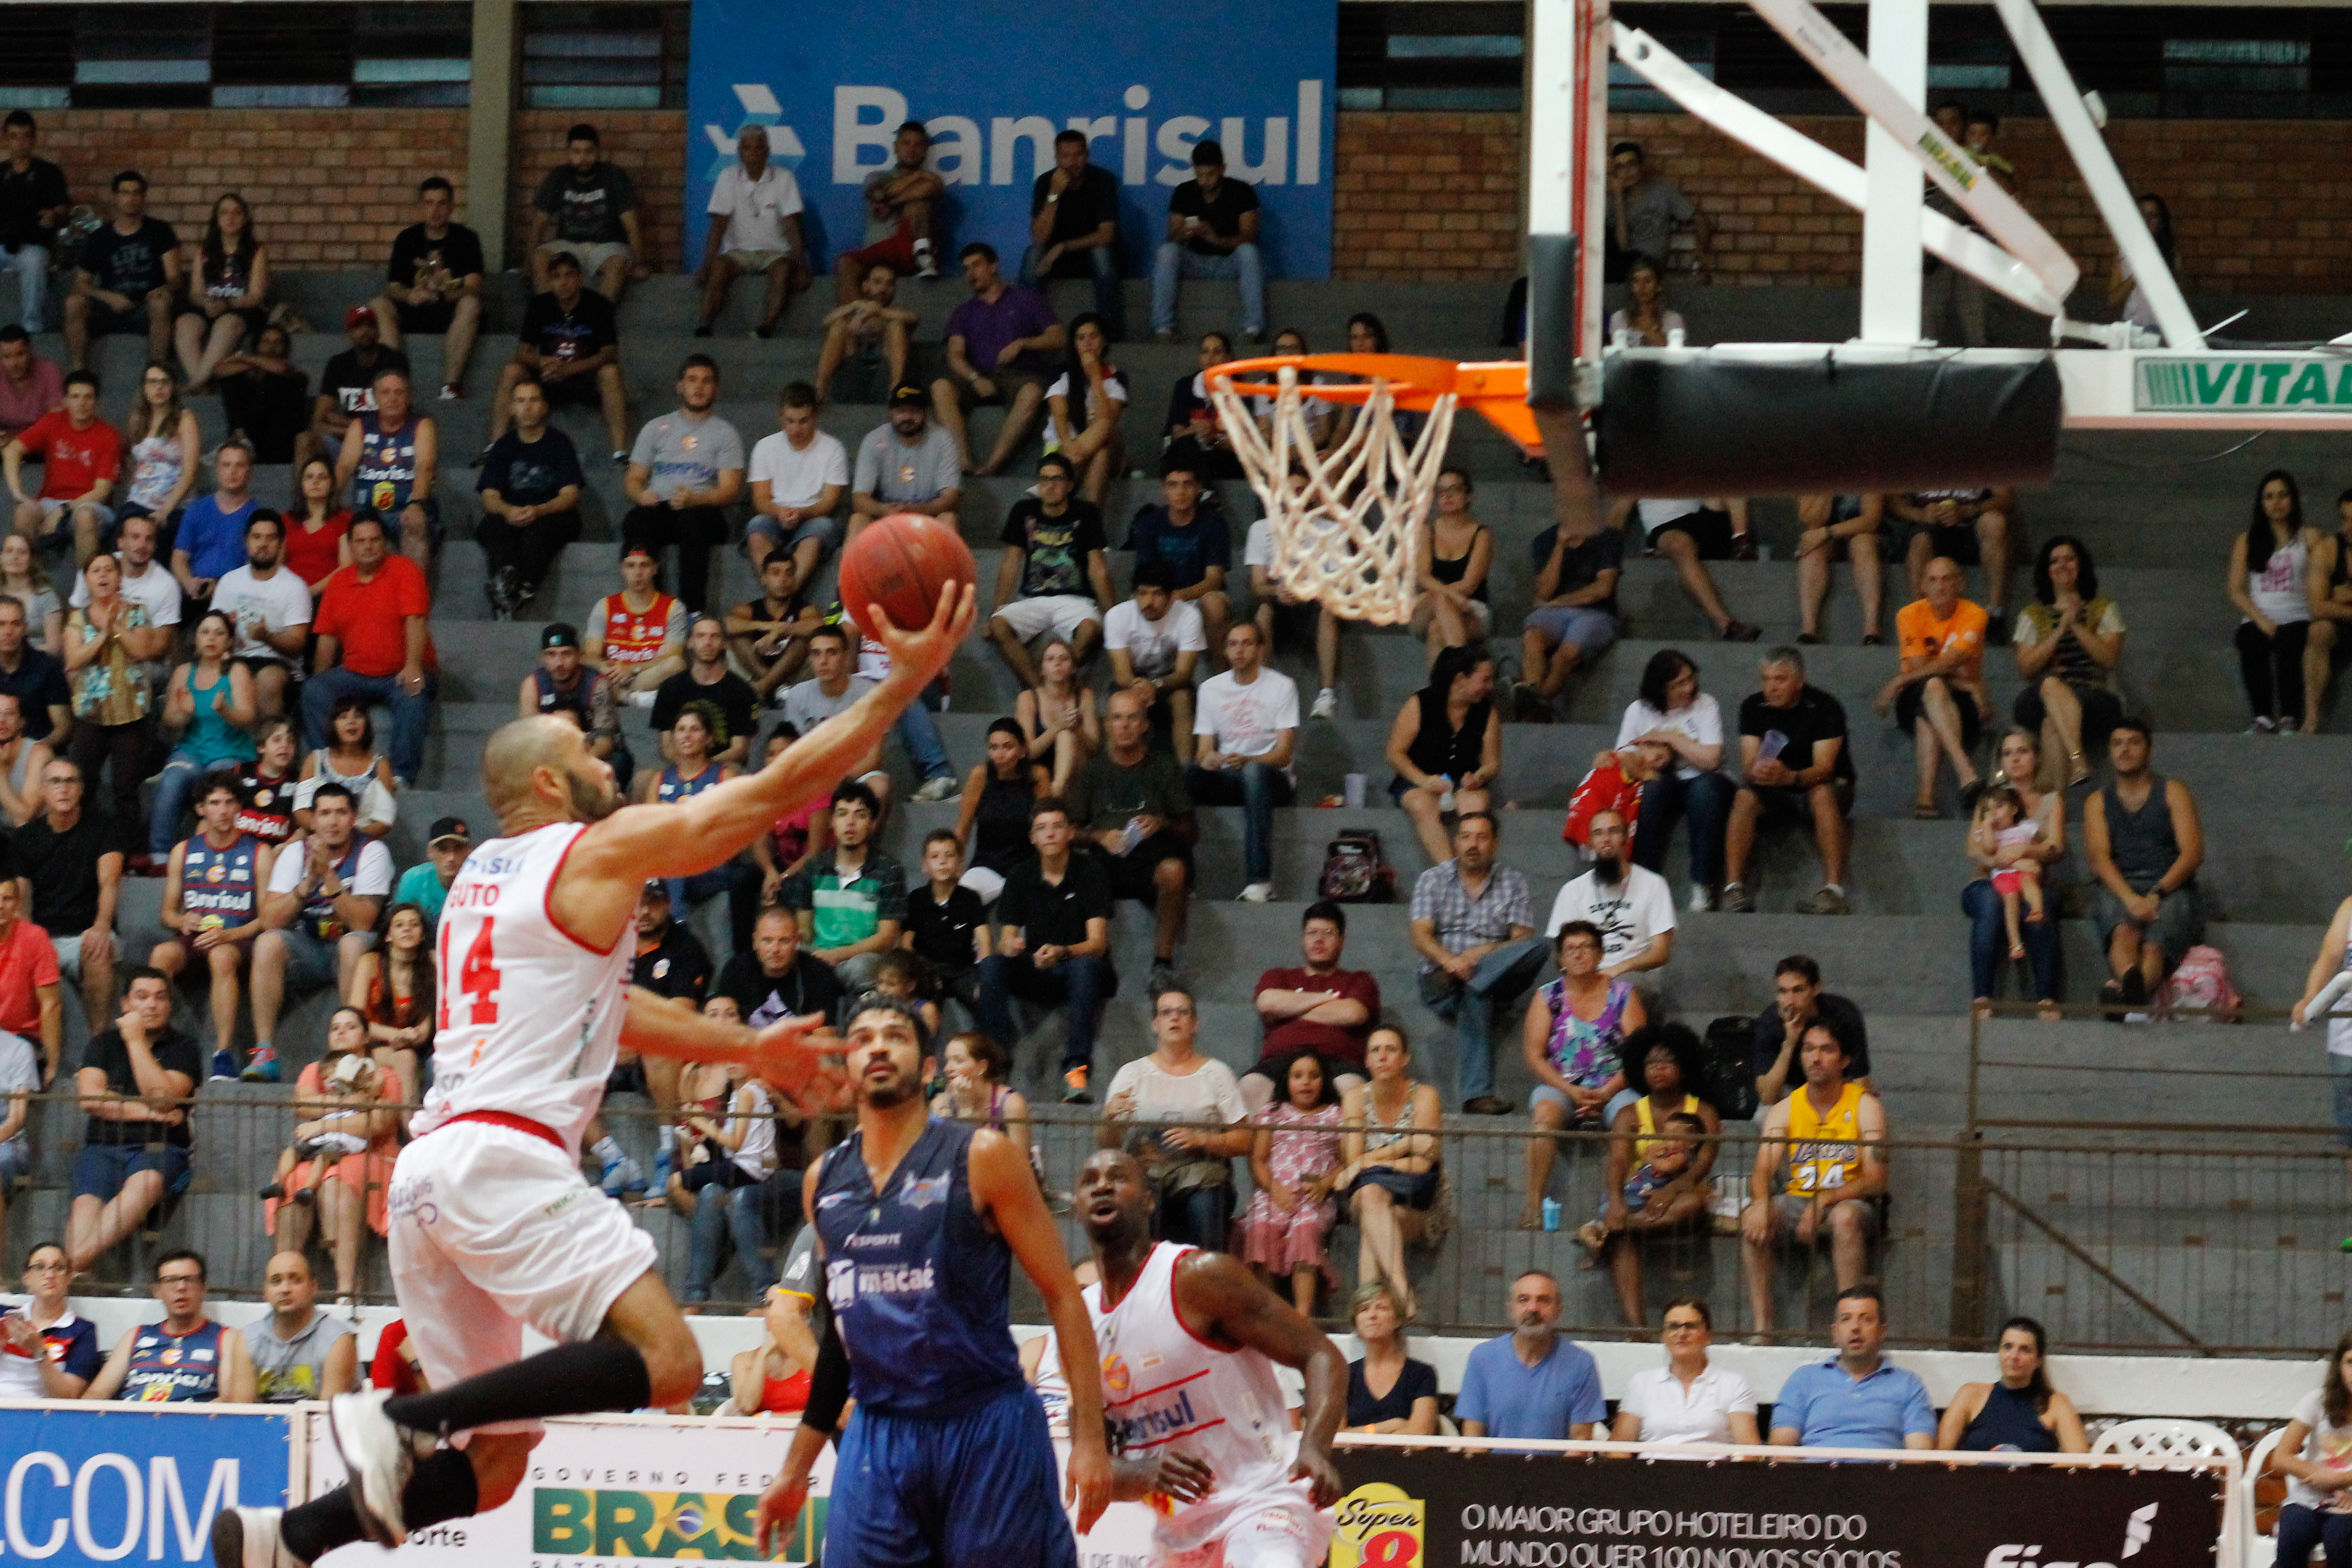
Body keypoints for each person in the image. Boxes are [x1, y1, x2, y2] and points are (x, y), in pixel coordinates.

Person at [230, 591, 970, 1568]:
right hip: (503, 1158)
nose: (608, 764)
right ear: (548, 779)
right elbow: (772, 787)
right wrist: (903, 685)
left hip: (428, 1177)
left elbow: (601, 1007)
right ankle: (405, 1415)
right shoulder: (590, 848)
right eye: (587, 753)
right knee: (671, 1361)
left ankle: (287, 1535)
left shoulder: (476, 883)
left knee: (496, 1469)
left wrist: (746, 1051)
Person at [750, 994, 1109, 1566]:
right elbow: (843, 1337)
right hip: (880, 1433)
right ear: (846, 1067)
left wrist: (1091, 1439)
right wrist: (796, 1470)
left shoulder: (984, 1155)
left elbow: (1065, 1296)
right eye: (862, 1038)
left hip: (985, 1425)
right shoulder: (823, 1179)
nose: (877, 1047)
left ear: (927, 1067)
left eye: (895, 1035)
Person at [1070, 1147, 1345, 1568]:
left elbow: (1322, 1354)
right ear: (1077, 1207)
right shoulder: (1079, 1323)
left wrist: (1315, 1445)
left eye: (1118, 1177)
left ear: (1148, 1202)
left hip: (1264, 1500)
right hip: (1181, 1535)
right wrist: (1144, 1473)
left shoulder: (1197, 1277)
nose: (1102, 1185)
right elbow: (1093, 1465)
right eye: (1090, 1180)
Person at [1741, 1018, 1886, 1330]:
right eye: (1808, 1049)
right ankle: (1763, 1327)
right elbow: (1762, 1170)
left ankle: (1850, 1324)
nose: (1816, 1058)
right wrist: (1761, 1203)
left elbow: (1876, 1178)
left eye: (1826, 1050)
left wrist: (1824, 1201)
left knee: (1845, 1218)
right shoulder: (1785, 1107)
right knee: (1754, 1217)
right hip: (1797, 1198)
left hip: (1850, 1200)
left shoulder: (1864, 1106)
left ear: (1845, 1060)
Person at [248, 783, 394, 1084]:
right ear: (313, 820)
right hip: (308, 949)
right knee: (267, 943)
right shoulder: (294, 854)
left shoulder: (372, 851)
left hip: (351, 947)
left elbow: (363, 922)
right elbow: (270, 919)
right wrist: (306, 884)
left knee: (353, 944)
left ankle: (352, 1053)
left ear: (354, 818)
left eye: (341, 813)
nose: (333, 821)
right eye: (325, 813)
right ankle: (264, 1052)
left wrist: (328, 874)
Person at [976, 798, 1115, 1103]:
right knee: (991, 966)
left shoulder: (1091, 871)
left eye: (1057, 827)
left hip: (1079, 964)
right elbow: (1006, 938)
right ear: (1032, 837)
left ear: (1069, 834)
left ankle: (1076, 1074)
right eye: (1042, 829)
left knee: (1085, 967)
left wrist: (1062, 952)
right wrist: (1012, 946)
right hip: (1037, 964)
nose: (1050, 834)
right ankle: (996, 1065)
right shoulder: (1020, 874)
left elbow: (1097, 943)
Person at [1411, 810, 1546, 1114]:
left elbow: (1521, 941)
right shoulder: (1432, 880)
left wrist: (1480, 954)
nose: (1473, 844)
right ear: (1456, 842)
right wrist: (1450, 961)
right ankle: (1476, 1096)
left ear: (1495, 843)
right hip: (1440, 980)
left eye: (1482, 837)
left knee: (1539, 947)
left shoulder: (1513, 882)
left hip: (1495, 974)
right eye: (1466, 837)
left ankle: (1475, 980)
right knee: (1478, 992)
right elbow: (1420, 936)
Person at [1100, 984, 1252, 1250]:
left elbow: (1245, 1140)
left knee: (1205, 1207)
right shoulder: (1131, 1073)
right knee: (1143, 1206)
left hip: (1203, 1172)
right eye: (1166, 1012)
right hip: (1146, 1172)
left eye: (1182, 1012)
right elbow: (1106, 1144)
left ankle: (1206, 1279)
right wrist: (1110, 1119)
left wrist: (1201, 1139)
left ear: (1195, 1024)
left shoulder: (1217, 1074)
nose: (1174, 1018)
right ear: (1154, 1024)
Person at [65, 969, 197, 1271]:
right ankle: (73, 1273)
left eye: (160, 997)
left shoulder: (183, 1047)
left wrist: (136, 1042)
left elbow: (163, 1098)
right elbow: (92, 1100)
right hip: (103, 1145)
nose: (152, 1005)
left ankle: (66, 1270)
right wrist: (152, 1114)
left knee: (146, 1182)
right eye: (142, 997)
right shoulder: (103, 1044)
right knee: (86, 1206)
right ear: (125, 1004)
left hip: (160, 1148)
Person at [1591, 1026, 1723, 1325]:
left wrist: (1671, 1191)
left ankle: (1615, 1230)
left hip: (1683, 1196)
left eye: (1668, 1062)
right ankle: (1637, 1328)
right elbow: (1618, 1162)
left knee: (1693, 1203)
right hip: (1639, 1194)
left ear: (1685, 1067)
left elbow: (1702, 1165)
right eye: (1651, 1063)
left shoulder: (1703, 1112)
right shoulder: (1628, 1114)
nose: (1659, 1069)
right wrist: (1614, 1201)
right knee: (1621, 1220)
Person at [1065, 685, 1194, 991]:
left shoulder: (1163, 766)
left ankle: (1162, 965)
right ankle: (1099, 959)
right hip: (1103, 865)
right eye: (1117, 718)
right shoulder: (1092, 771)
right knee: (1080, 874)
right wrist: (1099, 836)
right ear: (1107, 724)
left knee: (1175, 871)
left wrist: (1161, 823)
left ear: (1145, 725)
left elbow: (1191, 831)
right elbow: (1069, 832)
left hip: (1151, 861)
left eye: (1132, 718)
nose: (1123, 725)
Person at [1518, 921, 1646, 1226]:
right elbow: (1534, 1055)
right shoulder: (1548, 997)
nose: (1578, 955)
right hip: (1561, 1085)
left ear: (1601, 954)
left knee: (1629, 1119)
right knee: (1545, 1117)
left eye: (1586, 947)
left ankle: (1616, 1204)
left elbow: (1640, 1053)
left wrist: (1605, 1093)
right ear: (1560, 959)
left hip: (1615, 1085)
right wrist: (1571, 1091)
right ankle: (1533, 1206)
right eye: (1570, 949)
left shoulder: (1623, 995)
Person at [150, 776, 273, 1075]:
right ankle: (155, 1043)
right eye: (215, 803)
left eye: (230, 802)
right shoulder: (184, 851)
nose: (223, 810)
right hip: (195, 938)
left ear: (239, 808)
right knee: (160, 956)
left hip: (238, 939)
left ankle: (223, 1054)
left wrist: (229, 934)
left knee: (222, 956)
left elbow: (269, 919)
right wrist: (182, 920)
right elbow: (167, 913)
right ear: (201, 809)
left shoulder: (260, 853)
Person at [305, 514, 435, 787]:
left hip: (401, 671)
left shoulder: (405, 570)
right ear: (350, 547)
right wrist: (320, 678)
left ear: (386, 543)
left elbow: (416, 620)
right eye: (361, 541)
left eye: (375, 540)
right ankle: (326, 768)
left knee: (413, 695)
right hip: (355, 674)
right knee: (313, 691)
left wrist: (412, 666)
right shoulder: (339, 582)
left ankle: (401, 776)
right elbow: (327, 640)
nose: (368, 547)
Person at [1723, 646, 1854, 916]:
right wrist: (1756, 772)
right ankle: (1734, 888)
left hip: (1822, 784)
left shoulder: (1824, 707)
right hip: (1776, 790)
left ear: (1800, 680)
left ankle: (1833, 891)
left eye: (1780, 680)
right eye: (1766, 680)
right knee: (1744, 797)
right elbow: (1748, 763)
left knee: (1821, 793)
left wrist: (1791, 776)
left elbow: (1825, 769)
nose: (1771, 687)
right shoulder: (1753, 707)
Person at [2084, 718, 2204, 1009]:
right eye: (2117, 744)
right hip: (2119, 885)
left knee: (2155, 946)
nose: (2125, 750)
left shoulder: (2173, 791)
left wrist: (2156, 895)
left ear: (2148, 750)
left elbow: (2192, 854)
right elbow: (2099, 858)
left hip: (2170, 885)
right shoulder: (2097, 801)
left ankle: (2126, 998)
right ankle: (2131, 991)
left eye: (2134, 743)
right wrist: (2130, 899)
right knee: (2122, 933)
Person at [1332, 1025, 1441, 1318]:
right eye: (1375, 1051)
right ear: (1366, 1060)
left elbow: (1422, 1165)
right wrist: (1407, 1144)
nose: (1383, 1057)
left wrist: (1367, 1162)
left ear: (1405, 1058)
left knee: (1375, 1213)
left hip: (1415, 1198)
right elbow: (1353, 1159)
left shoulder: (1425, 1096)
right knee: (1370, 1195)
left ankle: (1367, 1309)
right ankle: (1401, 1293)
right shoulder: (1356, 1097)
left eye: (1391, 1050)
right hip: (1368, 1191)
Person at [621, 356, 744, 616]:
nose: (699, 387)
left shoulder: (725, 433)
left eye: (706, 381)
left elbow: (731, 490)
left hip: (703, 511)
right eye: (692, 380)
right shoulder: (656, 428)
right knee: (636, 520)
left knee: (693, 523)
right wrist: (642, 495)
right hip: (661, 507)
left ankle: (692, 612)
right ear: (680, 386)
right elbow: (633, 480)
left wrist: (695, 499)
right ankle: (651, 605)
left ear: (716, 389)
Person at [1611, 649, 1733, 908]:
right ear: (1661, 688)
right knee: (1651, 791)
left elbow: (1712, 759)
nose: (1689, 687)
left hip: (1702, 778)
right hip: (1658, 778)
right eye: (1679, 684)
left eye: (1691, 679)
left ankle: (1703, 885)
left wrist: (1672, 738)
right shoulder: (1639, 710)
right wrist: (1648, 762)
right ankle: (1643, 882)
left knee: (1706, 792)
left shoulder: (1706, 704)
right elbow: (1623, 756)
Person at [932, 242, 1064, 477]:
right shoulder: (964, 312)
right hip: (977, 374)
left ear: (994, 266)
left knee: (1032, 393)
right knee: (940, 387)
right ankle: (963, 462)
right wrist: (974, 378)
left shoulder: (1026, 299)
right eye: (966, 269)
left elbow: (1058, 338)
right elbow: (955, 355)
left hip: (1018, 374)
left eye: (977, 265)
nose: (971, 274)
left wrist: (1024, 343)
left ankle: (994, 463)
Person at [1189, 620, 1297, 902]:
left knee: (1255, 773)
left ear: (1260, 649)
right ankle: (1186, 881)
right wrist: (1210, 758)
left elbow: (1284, 753)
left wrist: (1248, 760)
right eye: (1233, 644)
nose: (1239, 650)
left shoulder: (1282, 686)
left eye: (1247, 643)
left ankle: (1259, 882)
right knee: (1185, 774)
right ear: (1225, 651)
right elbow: (1202, 751)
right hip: (1229, 775)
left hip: (1273, 778)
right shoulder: (1210, 689)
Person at [1875, 554, 1991, 815]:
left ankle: (1926, 799)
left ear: (1960, 583)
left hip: (1960, 703)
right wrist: (1970, 686)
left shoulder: (1975, 614)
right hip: (1917, 694)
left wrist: (1899, 679)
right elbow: (1921, 669)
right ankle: (1967, 773)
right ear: (1923, 586)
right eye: (1933, 580)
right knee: (1933, 687)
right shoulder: (1909, 614)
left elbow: (1952, 660)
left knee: (1929, 711)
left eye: (1947, 579)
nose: (1940, 586)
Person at [63, 552, 164, 852]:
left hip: (129, 716)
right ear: (88, 579)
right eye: (96, 571)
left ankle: (128, 853)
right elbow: (73, 660)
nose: (104, 575)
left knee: (126, 790)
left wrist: (117, 627)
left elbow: (144, 650)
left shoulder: (136, 612)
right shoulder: (77, 617)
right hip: (91, 715)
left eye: (109, 570)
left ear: (119, 577)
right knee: (85, 786)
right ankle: (81, 849)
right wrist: (102, 635)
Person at [488, 251, 627, 466]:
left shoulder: (598, 305)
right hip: (547, 377)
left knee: (611, 373)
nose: (563, 283)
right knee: (511, 370)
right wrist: (545, 363)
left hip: (584, 377)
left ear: (580, 278)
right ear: (550, 280)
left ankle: (620, 451)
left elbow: (609, 353)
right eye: (556, 277)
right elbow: (523, 352)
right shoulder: (540, 305)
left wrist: (569, 369)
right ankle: (495, 447)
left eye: (569, 275)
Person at [14, 757, 123, 1027]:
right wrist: (27, 942)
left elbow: (110, 882)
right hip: (42, 935)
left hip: (86, 933)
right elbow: (22, 898)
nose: (63, 789)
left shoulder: (104, 827)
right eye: (55, 782)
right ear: (42, 790)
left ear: (81, 789)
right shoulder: (24, 838)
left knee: (99, 949)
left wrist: (101, 926)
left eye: (70, 781)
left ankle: (99, 1050)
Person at [991, 451, 1114, 687]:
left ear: (1069, 485)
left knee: (1090, 630)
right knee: (998, 626)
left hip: (1075, 600)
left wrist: (1112, 618)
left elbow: (1098, 567)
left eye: (1057, 479)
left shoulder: (1086, 513)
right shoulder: (1023, 510)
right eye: (1044, 480)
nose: (1050, 486)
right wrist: (998, 608)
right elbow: (1011, 563)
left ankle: (1058, 681)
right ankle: (1040, 689)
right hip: (1032, 598)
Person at [1244, 902, 1378, 1112]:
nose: (1319, 939)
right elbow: (1268, 1003)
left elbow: (1353, 1013)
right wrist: (1328, 1000)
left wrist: (1291, 1008)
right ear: (1302, 939)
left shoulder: (1359, 980)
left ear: (1342, 941)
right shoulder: (1278, 976)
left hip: (1337, 1063)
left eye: (1328, 933)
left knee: (1354, 1089)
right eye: (1312, 932)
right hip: (1280, 1061)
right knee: (1249, 1087)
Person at [2013, 536, 2125, 784]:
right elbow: (2026, 669)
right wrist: (2059, 631)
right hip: (2040, 697)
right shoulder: (2032, 614)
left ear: (2081, 564)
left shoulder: (2102, 608)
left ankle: (2052, 809)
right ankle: (2078, 761)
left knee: (2052, 726)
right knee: (2051, 686)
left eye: (2069, 559)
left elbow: (2108, 659)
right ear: (2047, 570)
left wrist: (2075, 624)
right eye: (2055, 561)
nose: (2063, 565)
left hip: (2094, 695)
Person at [1767, 1284, 1935, 1448]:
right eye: (1846, 1319)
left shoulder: (1909, 1385)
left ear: (1882, 1332)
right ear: (1835, 1333)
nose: (1855, 1328)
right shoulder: (1804, 1379)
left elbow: (1919, 1456)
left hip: (1881, 1476)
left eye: (1866, 1319)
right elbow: (1781, 1449)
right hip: (1817, 1475)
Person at [1242, 1052, 1347, 1315]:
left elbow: (1347, 1162)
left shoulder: (1335, 1116)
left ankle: (1302, 1314)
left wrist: (1325, 1184)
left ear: (1325, 1081)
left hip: (1314, 1196)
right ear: (1286, 1082)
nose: (1306, 1083)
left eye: (1314, 1076)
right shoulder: (1273, 1114)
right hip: (1275, 1192)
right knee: (1260, 1228)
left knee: (1306, 1229)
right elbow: (1259, 1160)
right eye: (1298, 1076)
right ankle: (1267, 1313)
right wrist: (1275, 1188)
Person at [148, 606, 257, 853]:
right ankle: (159, 857)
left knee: (217, 784)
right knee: (172, 780)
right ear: (195, 639)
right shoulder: (183, 672)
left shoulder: (237, 671)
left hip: (230, 750)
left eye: (219, 633)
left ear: (229, 641)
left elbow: (249, 718)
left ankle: (208, 855)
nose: (211, 638)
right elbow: (169, 721)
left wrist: (225, 711)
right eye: (205, 632)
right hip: (191, 749)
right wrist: (184, 713)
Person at [781, 779, 906, 993]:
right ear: (831, 822)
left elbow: (886, 939)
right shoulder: (814, 869)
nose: (850, 823)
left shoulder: (889, 870)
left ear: (872, 823)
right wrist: (817, 956)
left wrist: (839, 955)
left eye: (860, 815)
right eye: (842, 814)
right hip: (821, 955)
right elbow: (806, 932)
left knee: (859, 969)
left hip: (863, 958)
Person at [474, 378, 584, 620]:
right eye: (520, 401)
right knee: (492, 526)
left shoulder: (559, 443)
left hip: (552, 515)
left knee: (538, 531)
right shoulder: (502, 447)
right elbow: (489, 496)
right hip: (512, 512)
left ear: (544, 407)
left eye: (534, 400)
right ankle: (511, 584)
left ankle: (516, 588)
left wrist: (539, 510)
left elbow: (570, 496)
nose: (527, 407)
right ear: (511, 408)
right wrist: (508, 511)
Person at [367, 176, 484, 402]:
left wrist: (447, 291)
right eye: (429, 203)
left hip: (449, 311)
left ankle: (450, 386)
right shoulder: (407, 239)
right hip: (415, 311)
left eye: (441, 203)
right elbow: (393, 287)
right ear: (421, 207)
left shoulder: (467, 239)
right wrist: (410, 296)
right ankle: (396, 382)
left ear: (451, 207)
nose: (436, 210)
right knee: (377, 305)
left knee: (472, 305)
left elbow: (475, 286)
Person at [84, 1250, 255, 1402]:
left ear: (204, 1288)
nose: (181, 1287)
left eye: (189, 1280)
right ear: (157, 1291)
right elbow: (96, 1394)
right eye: (170, 1280)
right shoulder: (136, 1336)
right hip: (131, 1427)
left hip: (191, 1430)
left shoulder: (226, 1338)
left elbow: (229, 1401)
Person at [1455, 1270, 1607, 1440]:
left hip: (1558, 1467)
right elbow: (1472, 1438)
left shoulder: (1581, 1364)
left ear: (1559, 1310)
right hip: (1493, 1467)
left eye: (1543, 1301)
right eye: (1523, 1300)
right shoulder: (1482, 1358)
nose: (1533, 1308)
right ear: (1510, 1308)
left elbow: (1580, 1444)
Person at [1388, 644, 1501, 867]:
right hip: (1419, 779)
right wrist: (1424, 781)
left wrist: (1479, 776)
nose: (1490, 687)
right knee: (1422, 805)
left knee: (1477, 805)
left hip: (1462, 781)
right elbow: (1395, 753)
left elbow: (1493, 763)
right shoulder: (1421, 703)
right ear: (1461, 679)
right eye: (1484, 680)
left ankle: (1472, 867)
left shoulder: (1488, 712)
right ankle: (1449, 874)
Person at [693, 124, 805, 339]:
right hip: (738, 252)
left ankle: (767, 327)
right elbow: (719, 225)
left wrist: (801, 266)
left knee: (783, 271)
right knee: (718, 267)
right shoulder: (728, 176)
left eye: (758, 148)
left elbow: (792, 226)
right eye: (747, 148)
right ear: (739, 152)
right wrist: (707, 264)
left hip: (775, 252)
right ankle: (705, 326)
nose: (752, 154)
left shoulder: (784, 178)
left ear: (768, 151)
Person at [2233, 469, 2323, 733]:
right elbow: (2236, 589)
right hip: (2258, 616)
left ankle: (2290, 717)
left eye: (2283, 495)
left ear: (2293, 499)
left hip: (2297, 615)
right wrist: (2261, 620)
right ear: (2261, 504)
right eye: (2269, 497)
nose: (2277, 502)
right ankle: (2262, 716)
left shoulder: (2310, 537)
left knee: (2290, 646)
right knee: (2249, 642)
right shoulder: (2247, 540)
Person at [1512, 511, 1623, 721]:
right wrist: (1560, 546)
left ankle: (1534, 702)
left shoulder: (1607, 537)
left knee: (1566, 655)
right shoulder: (1545, 540)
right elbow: (1544, 592)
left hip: (1597, 613)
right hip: (1553, 613)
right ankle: (1536, 699)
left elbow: (1603, 589)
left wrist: (1558, 602)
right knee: (1533, 638)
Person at [64, 171, 178, 373]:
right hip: (110, 309)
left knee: (161, 304)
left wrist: (162, 290)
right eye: (125, 193)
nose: (131, 199)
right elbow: (81, 283)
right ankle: (79, 375)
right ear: (116, 197)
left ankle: (157, 373)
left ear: (143, 197)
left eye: (136, 193)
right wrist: (107, 297)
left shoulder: (160, 231)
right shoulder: (100, 237)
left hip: (146, 308)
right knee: (73, 303)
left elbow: (176, 279)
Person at [1152, 140, 1264, 342]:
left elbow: (1249, 236)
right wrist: (1185, 232)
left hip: (1228, 263)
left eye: (1210, 175)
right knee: (1167, 252)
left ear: (1223, 169)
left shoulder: (1241, 191)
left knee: (1249, 253)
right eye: (1199, 175)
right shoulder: (1184, 192)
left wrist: (1216, 239)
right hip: (1194, 262)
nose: (1204, 181)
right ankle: (1163, 328)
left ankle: (1253, 327)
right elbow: (1171, 237)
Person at [1545, 808, 1678, 979]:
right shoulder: (1572, 891)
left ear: (1626, 837)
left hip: (1634, 975)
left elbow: (1661, 951)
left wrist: (1620, 968)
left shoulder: (1653, 884)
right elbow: (1560, 953)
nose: (1606, 840)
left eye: (1613, 831)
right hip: (1586, 976)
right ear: (1591, 842)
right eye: (1598, 833)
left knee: (1619, 990)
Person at [1611, 1297, 1762, 1444]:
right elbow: (1618, 1448)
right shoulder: (1642, 1383)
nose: (1682, 1334)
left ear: (1708, 1336)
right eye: (1673, 1327)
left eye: (1691, 1326)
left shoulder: (1733, 1384)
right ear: (1663, 1336)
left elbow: (1748, 1449)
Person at [7, 368, 119, 564]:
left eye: (88, 397)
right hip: (50, 500)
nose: (81, 404)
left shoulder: (108, 435)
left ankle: (85, 590)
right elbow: (12, 450)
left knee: (84, 517)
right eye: (75, 397)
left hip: (91, 505)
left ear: (97, 401)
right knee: (23, 513)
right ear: (65, 400)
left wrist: (63, 510)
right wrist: (18, 495)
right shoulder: (53, 422)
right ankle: (33, 581)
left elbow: (101, 492)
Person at [330, 367, 439, 571]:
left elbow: (425, 467)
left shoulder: (422, 425)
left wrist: (416, 504)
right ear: (375, 397)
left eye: (399, 393)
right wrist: (326, 504)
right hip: (368, 513)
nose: (392, 398)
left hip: (406, 509)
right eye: (385, 393)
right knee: (362, 531)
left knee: (413, 525)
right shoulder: (360, 426)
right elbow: (344, 467)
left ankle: (412, 595)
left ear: (408, 397)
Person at [529, 123, 647, 304]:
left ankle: (597, 323)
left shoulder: (614, 176)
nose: (582, 158)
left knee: (618, 263)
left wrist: (639, 263)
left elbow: (632, 226)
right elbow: (539, 222)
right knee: (539, 258)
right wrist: (527, 261)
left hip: (607, 247)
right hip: (569, 245)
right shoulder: (559, 176)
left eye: (588, 152)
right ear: (568, 153)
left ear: (598, 152)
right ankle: (550, 319)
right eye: (576, 152)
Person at [2263, 1330, 2352, 1568]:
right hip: (2309, 1500)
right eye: (2351, 1363)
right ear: (2339, 1366)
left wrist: (2340, 1480)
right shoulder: (2318, 1402)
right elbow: (2280, 1458)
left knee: (2339, 1540)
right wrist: (2317, 1474)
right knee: (2295, 1535)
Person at [1937, 1315, 2088, 1451]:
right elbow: (1942, 1456)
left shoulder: (2057, 1404)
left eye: (2025, 1350)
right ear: (1999, 1352)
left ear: (2039, 1360)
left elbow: (2079, 1461)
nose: (2014, 1356)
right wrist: (1986, 1463)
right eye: (2008, 1347)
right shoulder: (1970, 1395)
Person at [746, 380, 847, 584]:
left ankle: (785, 595)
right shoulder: (765, 447)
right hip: (776, 516)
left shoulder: (833, 449)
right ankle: (775, 590)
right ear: (781, 418)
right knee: (756, 527)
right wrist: (779, 512)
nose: (796, 428)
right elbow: (761, 499)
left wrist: (801, 514)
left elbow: (829, 502)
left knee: (821, 529)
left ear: (815, 417)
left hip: (814, 517)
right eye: (790, 421)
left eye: (803, 421)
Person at [1024, 129, 1123, 333]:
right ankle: (1026, 329)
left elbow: (1107, 235)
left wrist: (1064, 246)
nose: (1072, 162)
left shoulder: (1103, 180)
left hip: (1088, 255)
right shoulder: (1045, 182)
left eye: (1077, 155)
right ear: (1057, 158)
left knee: (1102, 255)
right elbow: (1039, 237)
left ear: (1086, 156)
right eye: (1065, 156)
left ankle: (1109, 331)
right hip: (1055, 260)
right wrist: (1054, 195)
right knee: (1033, 255)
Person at [832, 119, 944, 300]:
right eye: (906, 143)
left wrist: (892, 202)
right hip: (879, 252)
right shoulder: (878, 176)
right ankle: (856, 320)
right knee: (846, 263)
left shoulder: (931, 180)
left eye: (918, 145)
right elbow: (879, 194)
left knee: (917, 204)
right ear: (895, 146)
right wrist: (916, 176)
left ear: (925, 150)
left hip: (910, 252)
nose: (911, 150)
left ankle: (923, 261)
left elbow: (931, 188)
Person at [1129, 464, 1232, 655]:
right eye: (1173, 485)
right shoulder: (1148, 523)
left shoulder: (1214, 523)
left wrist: (1179, 596)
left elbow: (1214, 579)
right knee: (1138, 603)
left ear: (1198, 487)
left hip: (1200, 596)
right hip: (1161, 595)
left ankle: (1222, 676)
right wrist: (1163, 597)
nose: (1180, 492)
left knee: (1214, 604)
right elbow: (1146, 575)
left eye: (1187, 484)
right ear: (1164, 489)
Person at [174, 193, 271, 392]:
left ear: (245, 219)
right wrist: (208, 303)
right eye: (225, 213)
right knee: (185, 323)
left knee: (226, 323)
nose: (231, 218)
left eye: (237, 213)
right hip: (210, 306)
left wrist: (227, 305)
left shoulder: (257, 251)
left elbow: (256, 295)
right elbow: (195, 293)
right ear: (217, 220)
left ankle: (197, 383)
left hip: (242, 308)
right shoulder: (204, 251)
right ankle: (202, 383)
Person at [1104, 559, 1204, 745]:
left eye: (1157, 594)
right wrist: (1138, 686)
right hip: (1132, 679)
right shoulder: (1117, 616)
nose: (1148, 602)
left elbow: (1184, 673)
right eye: (1142, 594)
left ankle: (1186, 769)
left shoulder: (1189, 615)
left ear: (1172, 596)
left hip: (1170, 680)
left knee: (1182, 698)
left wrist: (1155, 685)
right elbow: (1121, 674)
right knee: (1120, 703)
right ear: (1133, 596)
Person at [1753, 955, 1874, 1107]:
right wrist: (1790, 1044)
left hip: (1838, 1089)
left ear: (1816, 988)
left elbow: (1860, 1079)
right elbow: (1768, 1097)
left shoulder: (1844, 1015)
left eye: (1798, 990)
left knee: (1869, 1114)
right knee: (1764, 1116)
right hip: (1790, 1094)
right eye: (1783, 992)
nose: (1790, 1001)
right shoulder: (1769, 1023)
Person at [1890, 487, 2014, 635]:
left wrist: (1968, 511)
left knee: (1995, 522)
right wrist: (1919, 514)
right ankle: (1922, 619)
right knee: (1919, 542)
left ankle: (1995, 614)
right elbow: (1893, 501)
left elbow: (2006, 501)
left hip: (1973, 525)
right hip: (1929, 527)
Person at [953, 715, 1050, 902]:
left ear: (1022, 750)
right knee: (962, 901)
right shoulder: (980, 776)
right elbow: (963, 827)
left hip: (1027, 865)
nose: (1000, 754)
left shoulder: (1038, 776)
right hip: (987, 866)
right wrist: (956, 865)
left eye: (1008, 747)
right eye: (994, 747)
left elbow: (1046, 824)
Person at [346, 901, 435, 1105]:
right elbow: (355, 1021)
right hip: (374, 1046)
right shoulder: (370, 963)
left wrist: (413, 1037)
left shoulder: (433, 964)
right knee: (406, 1059)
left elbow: (432, 1019)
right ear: (388, 935)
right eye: (399, 925)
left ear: (422, 934)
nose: (407, 930)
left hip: (419, 1046)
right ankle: (411, 1130)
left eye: (414, 925)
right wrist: (396, 1036)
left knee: (411, 1058)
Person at [306, 306, 409, 478]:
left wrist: (342, 422)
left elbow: (399, 416)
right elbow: (319, 421)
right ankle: (306, 504)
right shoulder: (338, 364)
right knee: (306, 440)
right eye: (358, 327)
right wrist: (356, 431)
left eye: (370, 326)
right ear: (349, 334)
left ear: (378, 332)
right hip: (348, 440)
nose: (365, 331)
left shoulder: (394, 361)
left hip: (385, 442)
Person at [850, 382, 963, 536]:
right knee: (858, 520)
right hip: (886, 518)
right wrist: (885, 510)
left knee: (948, 519)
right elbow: (859, 499)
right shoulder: (874, 440)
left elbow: (950, 499)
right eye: (901, 411)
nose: (907, 417)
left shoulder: (943, 440)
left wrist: (913, 511)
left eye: (914, 411)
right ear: (891, 412)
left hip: (927, 518)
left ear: (926, 412)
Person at [585, 542, 685, 706]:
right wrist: (604, 666)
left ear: (655, 568)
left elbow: (672, 655)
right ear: (622, 569)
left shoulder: (673, 608)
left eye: (644, 565)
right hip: (614, 675)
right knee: (587, 669)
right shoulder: (605, 606)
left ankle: (623, 696)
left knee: (676, 664)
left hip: (645, 676)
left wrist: (632, 668)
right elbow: (590, 655)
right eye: (631, 566)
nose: (638, 573)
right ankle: (636, 697)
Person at [249, 1251, 360, 1400]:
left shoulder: (338, 1341)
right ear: (266, 1292)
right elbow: (242, 1417)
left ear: (313, 1287)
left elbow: (329, 1415)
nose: (285, 1289)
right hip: (263, 1423)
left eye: (295, 1280)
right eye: (276, 1281)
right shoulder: (247, 1340)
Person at [652, 614, 759, 767]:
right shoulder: (670, 688)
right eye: (700, 636)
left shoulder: (741, 690)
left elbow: (739, 749)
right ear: (690, 642)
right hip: (679, 765)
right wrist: (689, 767)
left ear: (724, 644)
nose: (707, 643)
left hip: (722, 766)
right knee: (642, 778)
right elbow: (667, 747)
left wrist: (702, 767)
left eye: (714, 637)